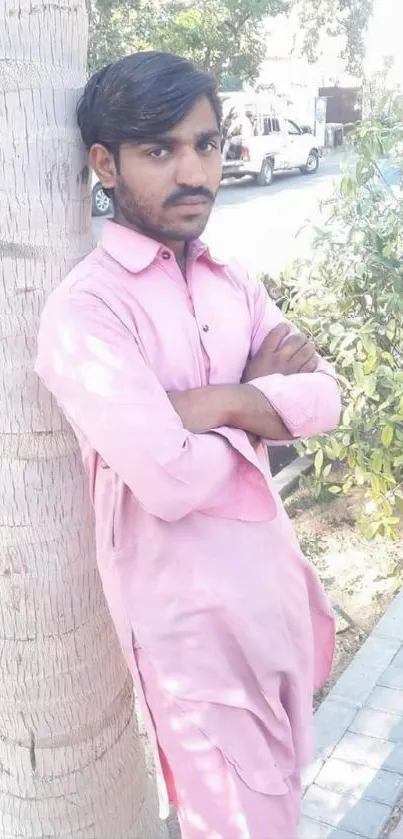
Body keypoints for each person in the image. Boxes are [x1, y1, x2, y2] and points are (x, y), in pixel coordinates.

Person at [35, 52, 341, 839]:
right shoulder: (88, 313)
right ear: (105, 162)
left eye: (204, 144)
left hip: (274, 601)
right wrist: (260, 409)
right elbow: (167, 479)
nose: (194, 169)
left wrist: (217, 400)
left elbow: (323, 397)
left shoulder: (227, 279)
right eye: (159, 149)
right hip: (196, 643)